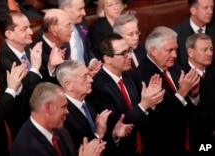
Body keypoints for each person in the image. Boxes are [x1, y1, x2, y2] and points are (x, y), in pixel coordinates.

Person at [88, 33, 165, 156]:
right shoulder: (97, 86)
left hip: (144, 145)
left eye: (129, 51)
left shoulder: (128, 75)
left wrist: (153, 100)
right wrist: (144, 105)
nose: (129, 56)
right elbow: (118, 123)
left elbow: (141, 111)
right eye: (123, 53)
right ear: (107, 58)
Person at [133, 26, 200, 156]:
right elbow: (161, 118)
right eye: (170, 50)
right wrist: (181, 93)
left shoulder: (174, 67)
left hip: (183, 141)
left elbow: (186, 108)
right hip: (162, 148)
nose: (174, 55)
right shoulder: (143, 76)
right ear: (153, 51)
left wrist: (193, 94)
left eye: (175, 49)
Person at [56, 60, 134, 154]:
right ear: (69, 85)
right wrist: (98, 133)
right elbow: (75, 151)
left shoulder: (92, 100)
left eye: (89, 75)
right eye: (85, 77)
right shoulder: (62, 115)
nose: (91, 80)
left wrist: (114, 135)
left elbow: (105, 142)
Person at [10, 82, 107, 156]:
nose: (67, 111)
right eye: (63, 107)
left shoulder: (59, 130)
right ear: (48, 108)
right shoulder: (28, 148)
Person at [182, 33, 215, 156]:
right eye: (204, 49)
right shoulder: (182, 76)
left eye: (211, 49)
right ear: (190, 52)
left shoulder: (213, 71)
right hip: (196, 141)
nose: (210, 53)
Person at [59, 0, 102, 77]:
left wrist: (93, 61)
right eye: (80, 9)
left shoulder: (82, 23)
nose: (84, 13)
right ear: (66, 9)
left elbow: (88, 47)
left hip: (88, 73)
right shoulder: (55, 31)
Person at [172, 0, 215, 67]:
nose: (210, 12)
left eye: (212, 7)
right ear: (193, 10)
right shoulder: (175, 33)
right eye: (205, 8)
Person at [35, 9, 72, 83]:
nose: (72, 30)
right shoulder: (38, 54)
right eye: (67, 26)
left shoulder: (64, 42)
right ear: (54, 31)